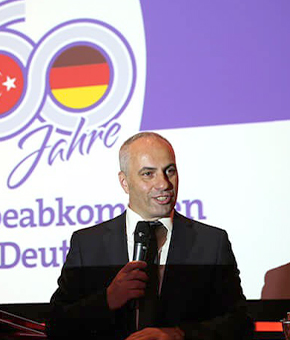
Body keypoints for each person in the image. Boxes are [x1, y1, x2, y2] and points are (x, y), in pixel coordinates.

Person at [47, 132, 252, 340]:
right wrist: (107, 299)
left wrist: (179, 335)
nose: (164, 184)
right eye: (148, 174)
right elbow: (56, 325)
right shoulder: (88, 244)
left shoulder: (211, 243)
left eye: (169, 171)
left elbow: (240, 323)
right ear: (124, 182)